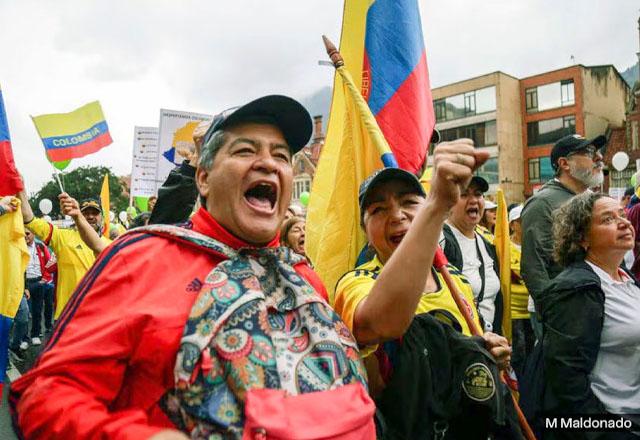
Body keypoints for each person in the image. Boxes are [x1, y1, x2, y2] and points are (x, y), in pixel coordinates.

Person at [10, 95, 375, 439]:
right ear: (203, 178)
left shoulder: (305, 279)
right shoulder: (139, 259)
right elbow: (44, 396)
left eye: (281, 155)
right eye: (245, 150)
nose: (268, 162)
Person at [333, 147, 520, 439]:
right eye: (378, 209)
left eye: (409, 202)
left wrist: (487, 353)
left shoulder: (456, 280)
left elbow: (467, 347)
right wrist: (436, 206)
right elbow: (380, 323)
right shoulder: (356, 284)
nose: (396, 215)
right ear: (365, 232)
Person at [539, 192, 640, 437]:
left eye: (622, 214)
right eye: (607, 219)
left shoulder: (627, 281)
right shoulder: (575, 289)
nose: (624, 222)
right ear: (582, 238)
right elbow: (566, 376)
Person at [520, 133, 605, 327]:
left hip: (594, 302)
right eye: (590, 152)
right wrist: (555, 310)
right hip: (566, 313)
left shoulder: (592, 199)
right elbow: (533, 266)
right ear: (564, 164)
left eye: (598, 151)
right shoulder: (542, 203)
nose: (599, 157)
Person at [17, 188, 111, 320]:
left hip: (100, 316)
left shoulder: (112, 244)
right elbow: (29, 220)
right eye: (86, 213)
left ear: (102, 217)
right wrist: (20, 188)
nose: (90, 216)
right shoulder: (62, 237)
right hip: (68, 315)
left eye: (95, 213)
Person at [440, 175, 503, 333]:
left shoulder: (487, 244)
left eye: (478, 194)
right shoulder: (440, 241)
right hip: (459, 343)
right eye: (464, 194)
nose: (474, 200)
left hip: (489, 343)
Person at [507, 204, 534, 379]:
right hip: (514, 312)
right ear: (512, 225)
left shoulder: (534, 245)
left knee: (532, 354)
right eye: (521, 221)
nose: (526, 224)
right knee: (518, 354)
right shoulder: (503, 247)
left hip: (533, 310)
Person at [24, 229, 55, 345]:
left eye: (27, 233)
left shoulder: (40, 246)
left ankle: (35, 334)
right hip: (24, 283)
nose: (24, 236)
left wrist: (45, 278)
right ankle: (24, 338)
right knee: (25, 313)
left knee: (37, 311)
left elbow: (49, 263)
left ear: (33, 234)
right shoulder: (19, 246)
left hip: (38, 282)